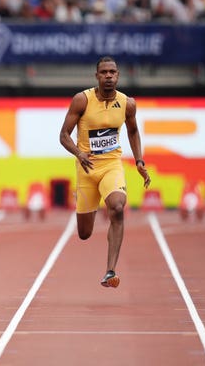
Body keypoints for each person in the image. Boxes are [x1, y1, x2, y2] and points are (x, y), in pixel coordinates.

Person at [59, 56, 151, 288]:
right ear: (97, 76)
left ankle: (110, 271)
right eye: (104, 72)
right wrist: (79, 154)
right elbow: (63, 135)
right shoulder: (82, 100)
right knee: (84, 233)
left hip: (112, 165)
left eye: (112, 72)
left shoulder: (128, 103)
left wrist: (139, 160)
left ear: (118, 75)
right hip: (86, 169)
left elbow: (133, 131)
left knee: (118, 208)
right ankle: (81, 197)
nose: (108, 76)